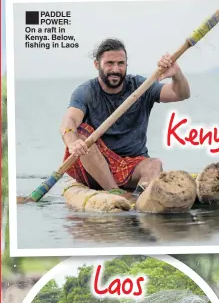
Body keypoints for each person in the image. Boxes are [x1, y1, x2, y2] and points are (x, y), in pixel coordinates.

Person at [60, 37, 190, 193]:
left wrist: (177, 74)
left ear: (126, 65)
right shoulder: (86, 91)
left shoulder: (141, 86)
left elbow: (180, 94)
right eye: (109, 63)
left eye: (120, 64)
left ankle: (141, 199)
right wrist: (72, 141)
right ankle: (115, 192)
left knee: (154, 165)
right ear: (97, 65)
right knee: (81, 136)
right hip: (96, 168)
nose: (115, 69)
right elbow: (70, 120)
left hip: (132, 165)